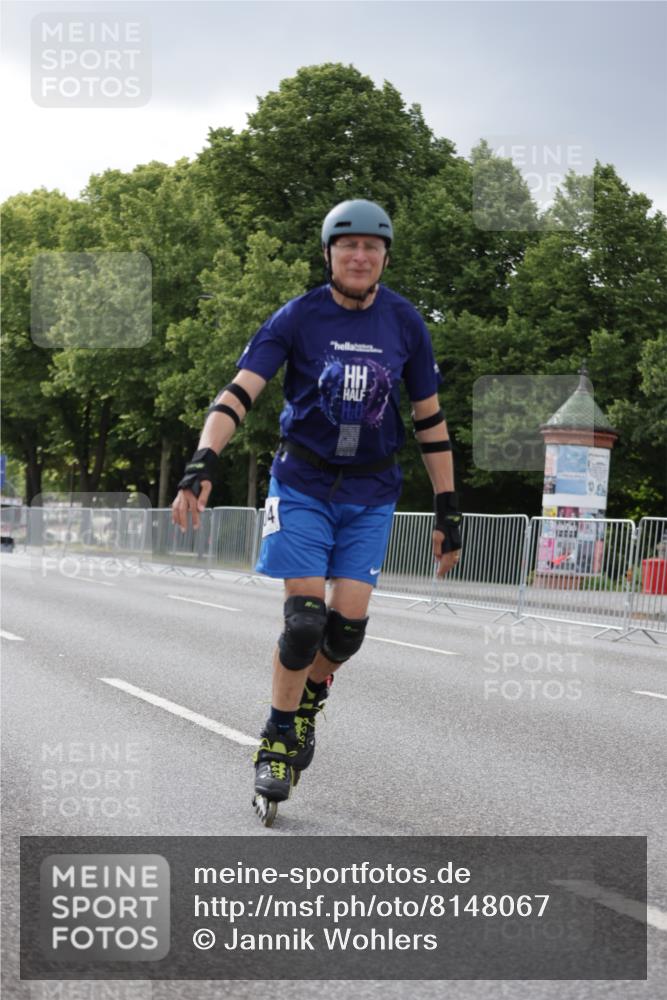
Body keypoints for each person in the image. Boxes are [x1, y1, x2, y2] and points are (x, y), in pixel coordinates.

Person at [171, 199, 462, 825]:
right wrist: (203, 460)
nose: (360, 256)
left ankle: (307, 701)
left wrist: (448, 506)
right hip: (302, 484)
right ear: (329, 254)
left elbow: (430, 420)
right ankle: (277, 740)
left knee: (345, 633)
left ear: (385, 258)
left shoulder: (405, 323)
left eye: (372, 247)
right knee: (304, 624)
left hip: (371, 493)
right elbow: (239, 392)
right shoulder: (298, 316)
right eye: (348, 245)